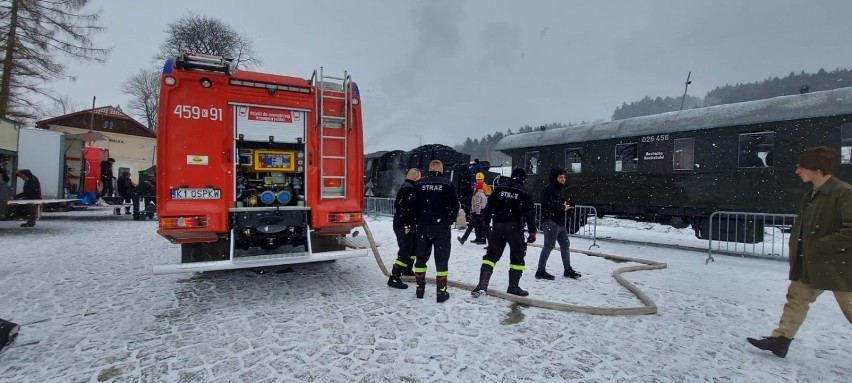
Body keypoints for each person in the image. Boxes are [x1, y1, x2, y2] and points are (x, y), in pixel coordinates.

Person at [747, 146, 852, 358]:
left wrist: (821, 245)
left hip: (839, 267)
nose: (797, 172)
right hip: (813, 263)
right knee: (796, 298)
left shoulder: (844, 193)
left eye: (802, 167)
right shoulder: (812, 194)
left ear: (818, 169)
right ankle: (780, 340)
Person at [471, 167, 537, 297]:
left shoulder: (500, 188)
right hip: (515, 227)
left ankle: (482, 284)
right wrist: (532, 231)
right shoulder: (525, 192)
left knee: (491, 255)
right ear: (523, 179)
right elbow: (530, 213)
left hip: (498, 225)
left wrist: (486, 221)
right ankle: (513, 286)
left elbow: (489, 206)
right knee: (517, 256)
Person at [412, 160, 458, 302]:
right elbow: (455, 206)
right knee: (442, 260)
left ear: (429, 169)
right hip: (441, 228)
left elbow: (412, 205)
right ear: (442, 170)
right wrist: (448, 220)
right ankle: (441, 292)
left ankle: (420, 289)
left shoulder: (419, 184)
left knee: (420, 259)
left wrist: (417, 220)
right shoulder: (447, 184)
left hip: (423, 227)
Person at [536, 167, 582, 280]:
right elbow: (547, 205)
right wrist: (562, 207)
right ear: (554, 178)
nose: (563, 179)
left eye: (564, 177)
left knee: (565, 244)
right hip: (550, 221)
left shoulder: (559, 189)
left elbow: (558, 203)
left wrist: (568, 206)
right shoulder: (548, 190)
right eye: (560, 177)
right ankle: (540, 270)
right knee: (549, 245)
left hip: (559, 222)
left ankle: (567, 269)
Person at [387, 168, 421, 289]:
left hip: (406, 224)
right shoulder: (408, 188)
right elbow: (404, 208)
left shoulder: (408, 187)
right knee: (405, 251)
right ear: (415, 176)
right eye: (419, 177)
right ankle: (394, 277)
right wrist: (407, 225)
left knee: (413, 249)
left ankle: (407, 269)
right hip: (403, 226)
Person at [458, 172, 488, 245]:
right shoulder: (483, 191)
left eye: (480, 179)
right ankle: (479, 238)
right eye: (478, 179)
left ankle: (464, 239)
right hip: (482, 211)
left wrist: (477, 212)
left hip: (478, 212)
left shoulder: (479, 192)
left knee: (471, 226)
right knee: (479, 225)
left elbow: (478, 203)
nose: (479, 180)